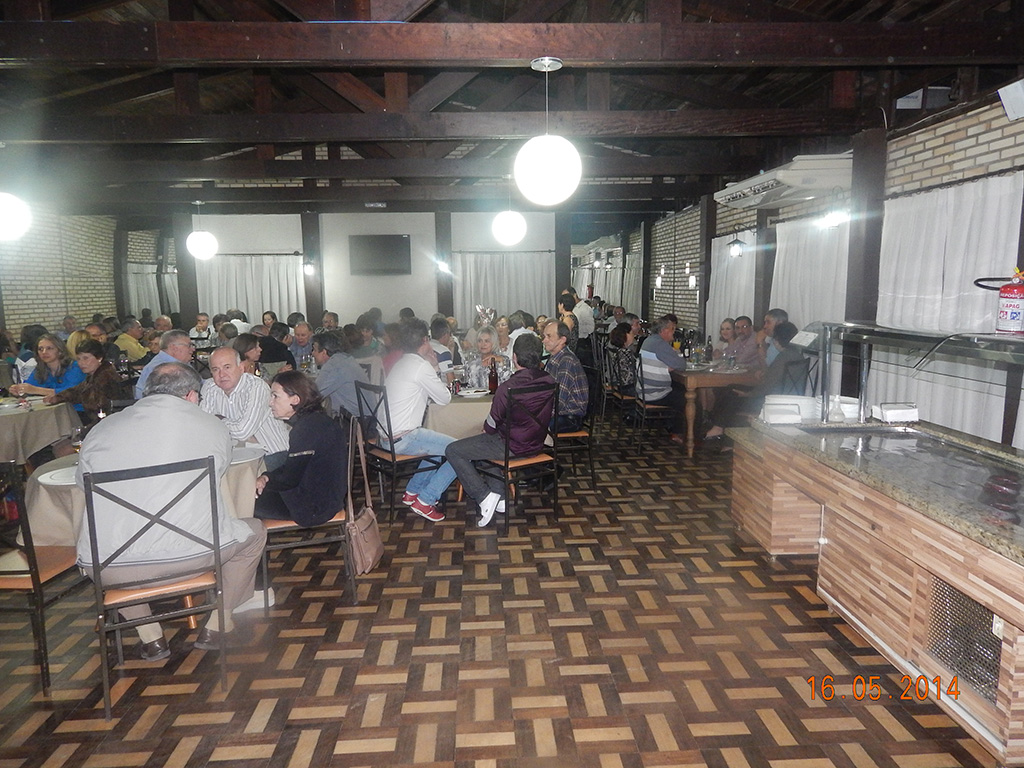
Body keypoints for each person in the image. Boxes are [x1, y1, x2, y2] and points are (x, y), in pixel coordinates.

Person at [75, 362, 267, 659]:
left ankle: (150, 636)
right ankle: (218, 623)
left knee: (110, 544)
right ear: (191, 396)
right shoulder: (210, 425)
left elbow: (81, 484)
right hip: (194, 555)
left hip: (110, 569)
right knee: (254, 532)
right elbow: (220, 472)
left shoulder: (100, 430)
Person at [444, 334, 556, 528]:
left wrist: (487, 429)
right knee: (484, 446)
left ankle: (484, 496)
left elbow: (491, 424)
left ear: (514, 357)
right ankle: (501, 499)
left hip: (511, 446)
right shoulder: (550, 381)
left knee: (453, 450)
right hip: (538, 443)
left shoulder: (508, 387)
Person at [382, 319, 457, 522]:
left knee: (436, 445)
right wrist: (435, 366)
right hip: (403, 438)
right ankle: (426, 500)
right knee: (458, 450)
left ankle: (412, 491)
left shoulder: (401, 363)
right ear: (425, 340)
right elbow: (445, 398)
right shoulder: (420, 366)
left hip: (385, 436)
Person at [254, 371, 348, 528]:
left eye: (275, 396)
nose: (270, 402)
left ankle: (249, 543)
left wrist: (264, 482)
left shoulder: (305, 429)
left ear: (295, 400)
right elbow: (293, 466)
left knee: (242, 499)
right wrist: (266, 477)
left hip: (314, 507)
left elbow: (289, 479)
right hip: (325, 497)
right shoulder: (315, 419)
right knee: (250, 494)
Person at [705, 322, 804, 440]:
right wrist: (765, 373)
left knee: (731, 394)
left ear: (777, 340)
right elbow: (775, 378)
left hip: (770, 400)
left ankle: (719, 428)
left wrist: (749, 394)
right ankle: (718, 427)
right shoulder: (796, 355)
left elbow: (769, 385)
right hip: (783, 396)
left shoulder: (783, 357)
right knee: (730, 388)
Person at [201, 347, 290, 469]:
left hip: (272, 455)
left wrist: (218, 419)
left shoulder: (256, 387)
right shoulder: (210, 387)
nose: (222, 375)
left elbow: (242, 432)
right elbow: (204, 427)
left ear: (241, 367)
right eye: (215, 369)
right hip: (234, 455)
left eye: (227, 367)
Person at [44, 339, 124, 426]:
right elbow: (76, 391)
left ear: (99, 358)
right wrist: (57, 397)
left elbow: (101, 411)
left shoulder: (105, 377)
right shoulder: (96, 375)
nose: (81, 363)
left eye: (86, 358)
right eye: (78, 359)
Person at [639, 315, 688, 444]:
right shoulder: (660, 344)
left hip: (643, 390)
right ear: (664, 331)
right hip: (654, 393)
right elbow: (681, 365)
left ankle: (673, 428)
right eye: (672, 329)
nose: (674, 332)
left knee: (679, 390)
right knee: (690, 400)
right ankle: (687, 435)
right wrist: (676, 355)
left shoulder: (649, 340)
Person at [541, 320, 588, 432]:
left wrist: (539, 414)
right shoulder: (554, 357)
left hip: (570, 417)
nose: (544, 340)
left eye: (549, 336)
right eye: (544, 336)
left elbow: (559, 401)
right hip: (560, 412)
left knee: (533, 426)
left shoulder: (567, 361)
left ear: (562, 340)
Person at [10, 333, 86, 401]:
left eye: (49, 348)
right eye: (40, 349)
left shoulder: (74, 367)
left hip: (76, 410)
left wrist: (35, 390)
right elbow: (29, 387)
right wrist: (19, 390)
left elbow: (70, 393)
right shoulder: (40, 369)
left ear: (60, 351)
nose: (44, 352)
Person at [312, 330, 368, 419]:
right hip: (364, 416)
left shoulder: (334, 365)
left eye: (315, 350)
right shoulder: (344, 359)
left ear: (324, 352)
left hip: (356, 421)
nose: (312, 353)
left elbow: (313, 395)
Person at [135, 330, 195, 398]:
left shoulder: (180, 363)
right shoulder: (161, 369)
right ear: (174, 348)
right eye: (189, 345)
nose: (193, 349)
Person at [607, 321, 638, 396]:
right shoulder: (626, 353)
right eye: (631, 333)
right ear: (625, 335)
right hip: (628, 388)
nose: (633, 336)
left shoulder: (617, 351)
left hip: (617, 383)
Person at [429, 316, 455, 383]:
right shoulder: (443, 352)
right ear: (446, 335)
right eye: (450, 334)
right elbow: (451, 380)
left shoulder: (426, 348)